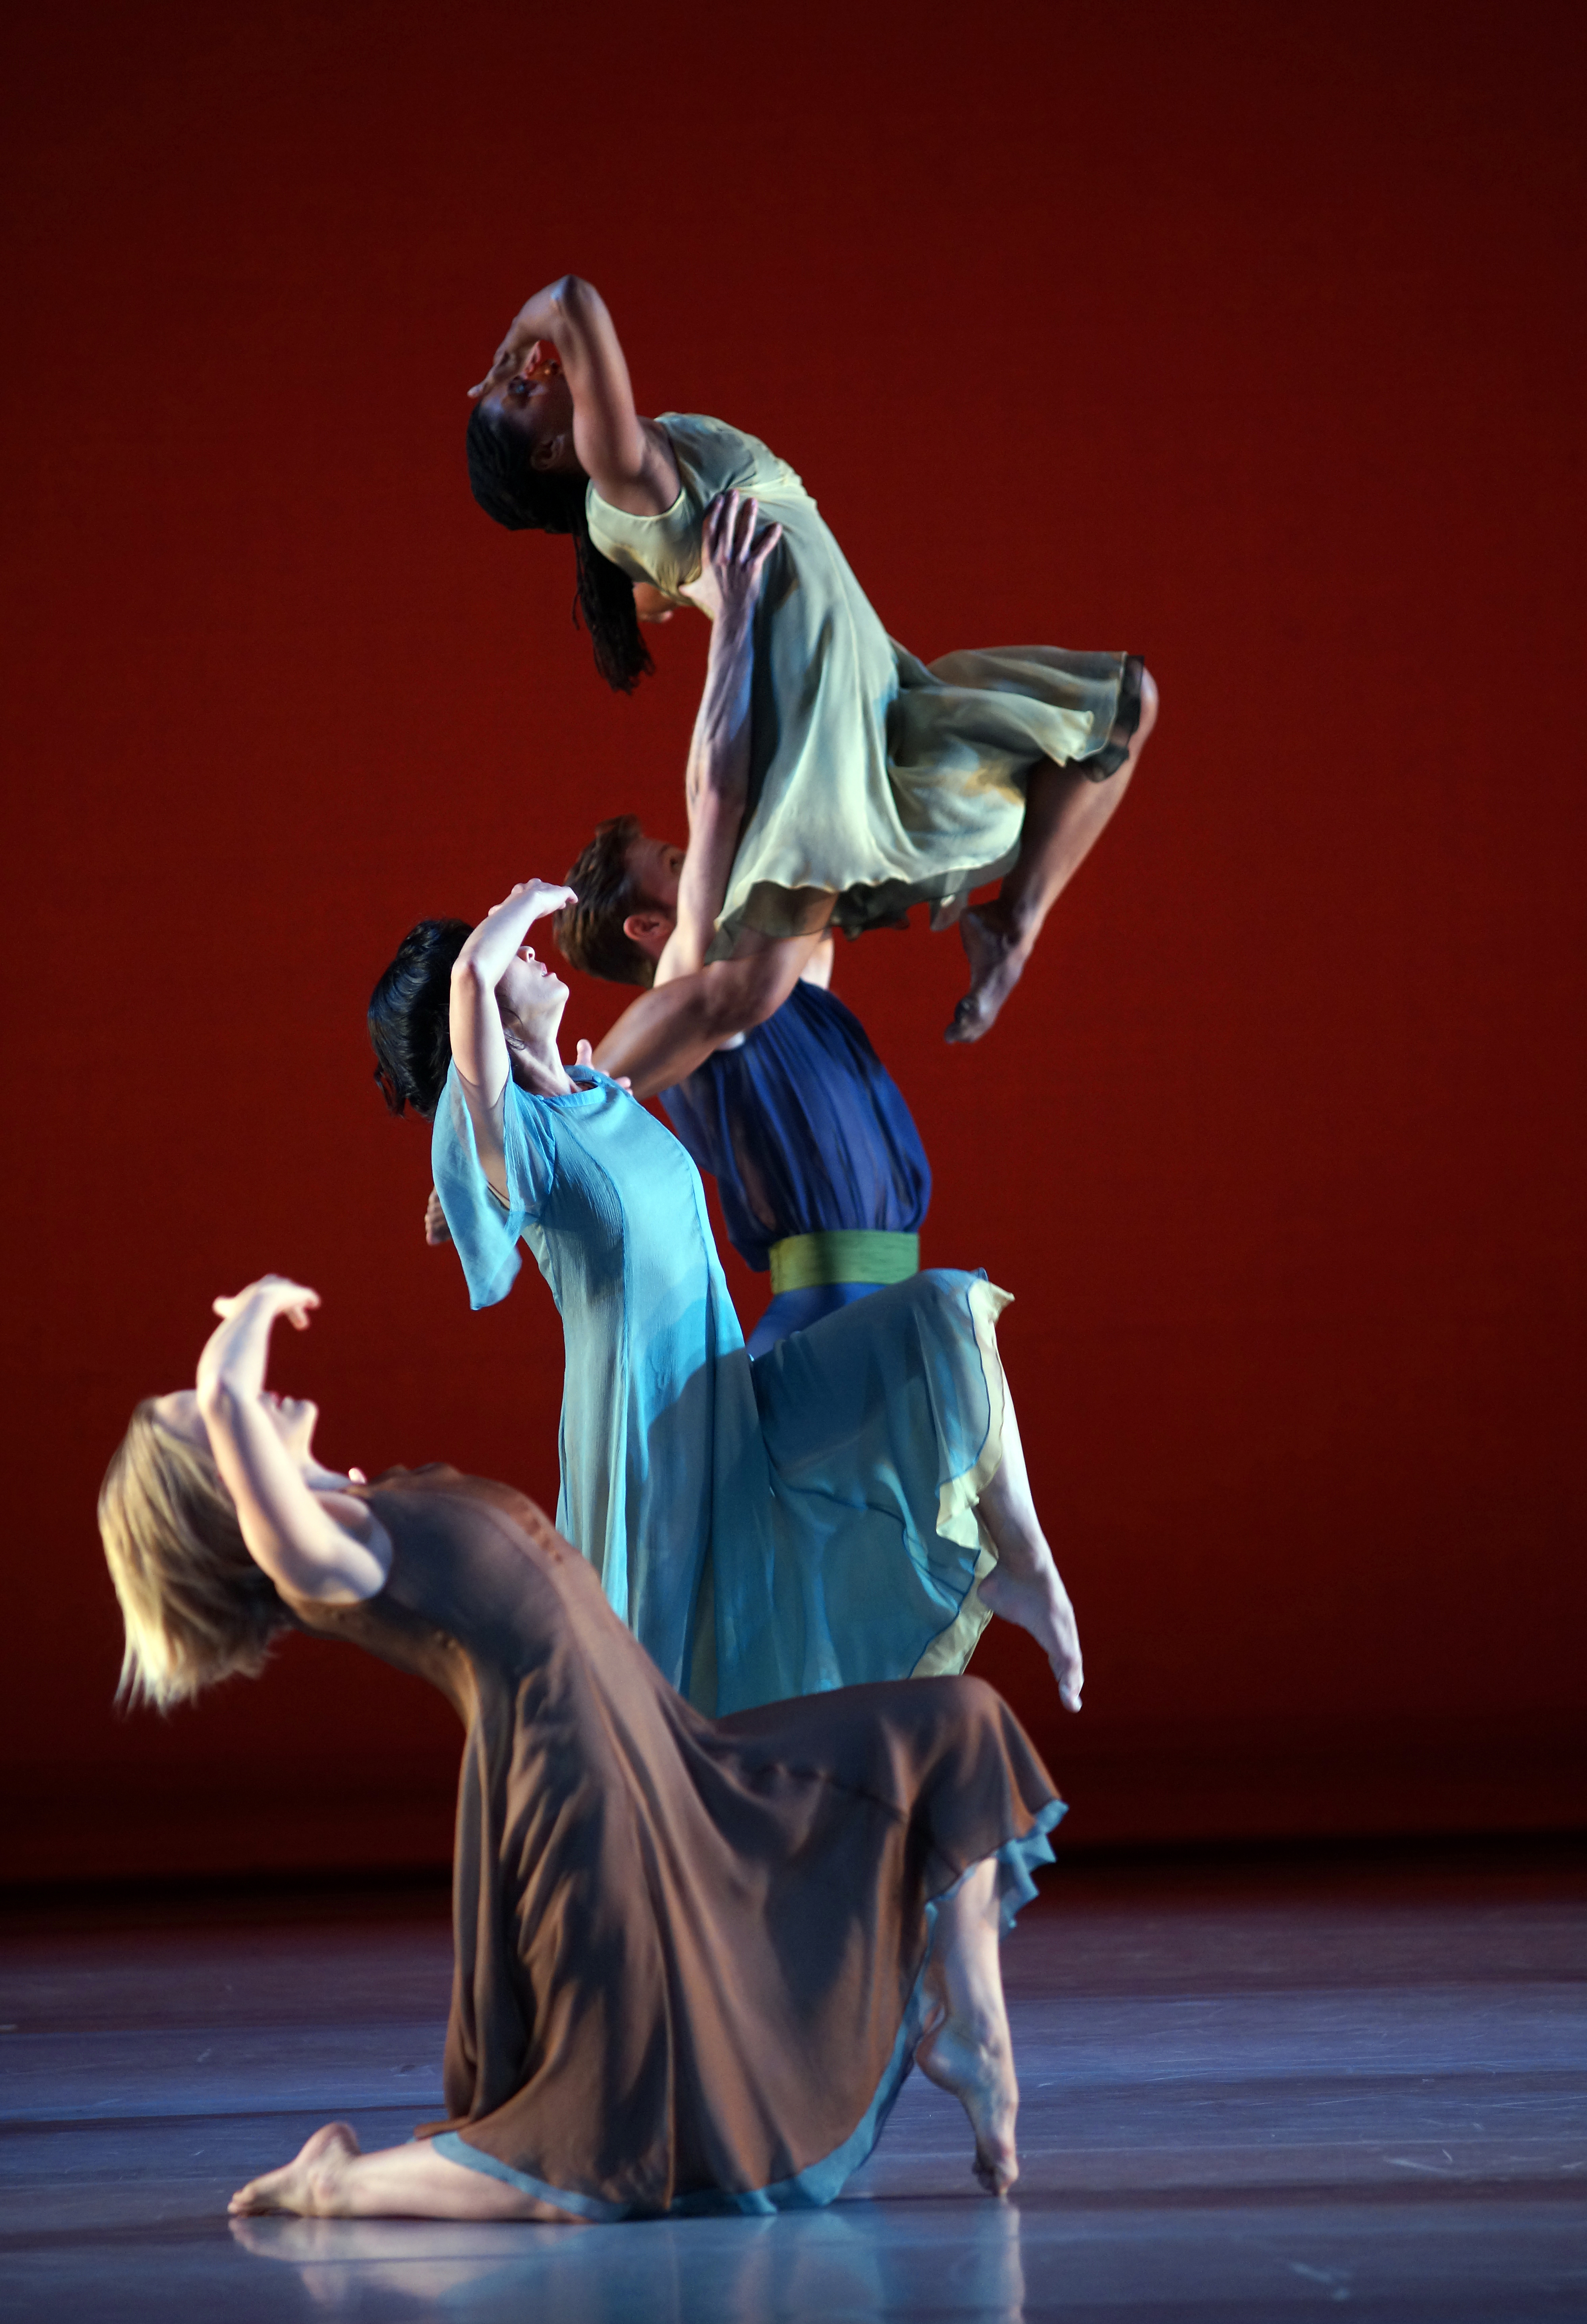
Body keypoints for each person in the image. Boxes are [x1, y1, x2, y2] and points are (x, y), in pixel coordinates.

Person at [98, 1275, 1066, 2218]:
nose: (237, 1399)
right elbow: (233, 1400)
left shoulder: (368, 1508)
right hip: (585, 1796)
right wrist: (251, 1312)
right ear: (222, 1488)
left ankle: (970, 2024)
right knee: (605, 2132)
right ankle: (338, 2183)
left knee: (956, 1730)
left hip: (666, 1750)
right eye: (210, 1423)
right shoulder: (320, 1562)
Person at [367, 874, 1085, 1722]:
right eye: (505, 955)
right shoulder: (521, 1140)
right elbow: (470, 989)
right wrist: (517, 902)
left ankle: (1026, 1564)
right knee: (668, 1686)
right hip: (648, 1426)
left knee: (943, 1315)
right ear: (479, 1010)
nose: (526, 950)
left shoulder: (597, 1092)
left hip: (722, 1390)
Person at [465, 273, 1159, 1044]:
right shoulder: (624, 475)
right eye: (521, 395)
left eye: (520, 377)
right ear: (555, 452)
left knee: (1120, 705)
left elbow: (653, 587)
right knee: (742, 992)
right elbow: (570, 301)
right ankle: (585, 1091)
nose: (536, 371)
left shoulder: (620, 511)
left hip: (872, 681)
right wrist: (513, 345)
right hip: (813, 710)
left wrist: (682, 587)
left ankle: (1012, 925)